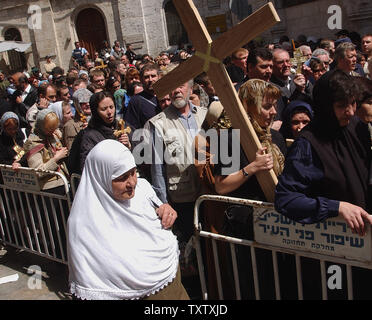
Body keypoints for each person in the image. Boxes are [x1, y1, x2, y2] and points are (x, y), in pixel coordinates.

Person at [275, 69, 372, 300]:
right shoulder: (307, 145)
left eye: (352, 103)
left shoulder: (356, 127)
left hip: (363, 248)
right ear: (326, 106)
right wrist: (337, 207)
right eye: (341, 106)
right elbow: (286, 199)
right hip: (331, 255)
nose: (350, 111)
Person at [67, 139, 188, 300]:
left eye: (133, 172)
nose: (132, 182)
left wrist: (166, 209)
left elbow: (159, 208)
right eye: (122, 177)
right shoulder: (83, 225)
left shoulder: (142, 190)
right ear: (101, 177)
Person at [213, 79, 287, 300]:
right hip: (245, 229)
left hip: (277, 226)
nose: (273, 112)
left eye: (275, 106)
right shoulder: (229, 139)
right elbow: (221, 185)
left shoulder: (276, 138)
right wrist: (252, 168)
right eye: (266, 106)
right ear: (247, 105)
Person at [73, 91, 131, 174]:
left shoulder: (121, 126)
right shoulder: (89, 136)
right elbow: (87, 167)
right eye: (104, 109)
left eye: (111, 107)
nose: (109, 112)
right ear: (95, 111)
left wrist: (128, 145)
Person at [124, 63, 162, 130]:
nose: (150, 80)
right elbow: (131, 128)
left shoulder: (167, 96)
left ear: (159, 77)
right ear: (141, 80)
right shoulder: (135, 101)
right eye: (146, 77)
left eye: (153, 76)